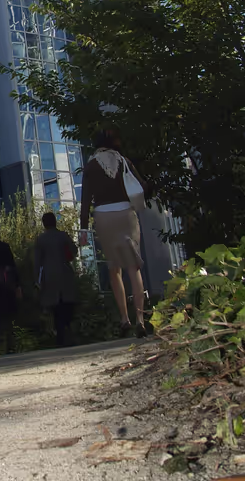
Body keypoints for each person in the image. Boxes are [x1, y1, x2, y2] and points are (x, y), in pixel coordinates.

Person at [79, 128, 149, 338]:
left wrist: (83, 229)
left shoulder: (91, 166)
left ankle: (124, 319)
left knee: (114, 269)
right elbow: (143, 186)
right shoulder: (124, 161)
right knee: (133, 267)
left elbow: (85, 201)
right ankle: (140, 319)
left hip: (103, 217)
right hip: (126, 214)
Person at [34, 211, 79, 347]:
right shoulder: (63, 235)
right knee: (67, 304)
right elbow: (74, 251)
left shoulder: (41, 239)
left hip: (49, 276)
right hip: (65, 273)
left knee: (55, 307)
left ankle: (60, 336)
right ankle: (68, 330)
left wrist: (37, 280)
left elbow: (37, 261)